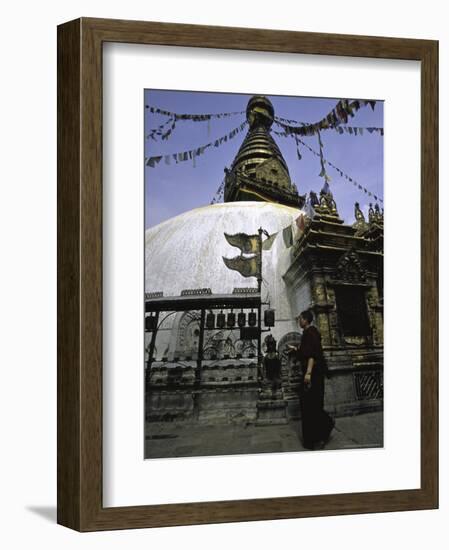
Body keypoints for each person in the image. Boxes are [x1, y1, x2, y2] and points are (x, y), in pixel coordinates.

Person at [288, 310, 335, 450]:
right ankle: (320, 432)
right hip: (313, 373)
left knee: (311, 406)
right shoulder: (308, 333)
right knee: (311, 405)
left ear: (306, 320)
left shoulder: (311, 333)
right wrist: (296, 349)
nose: (299, 321)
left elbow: (312, 355)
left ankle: (319, 435)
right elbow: (307, 351)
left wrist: (308, 373)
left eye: (300, 319)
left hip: (313, 374)